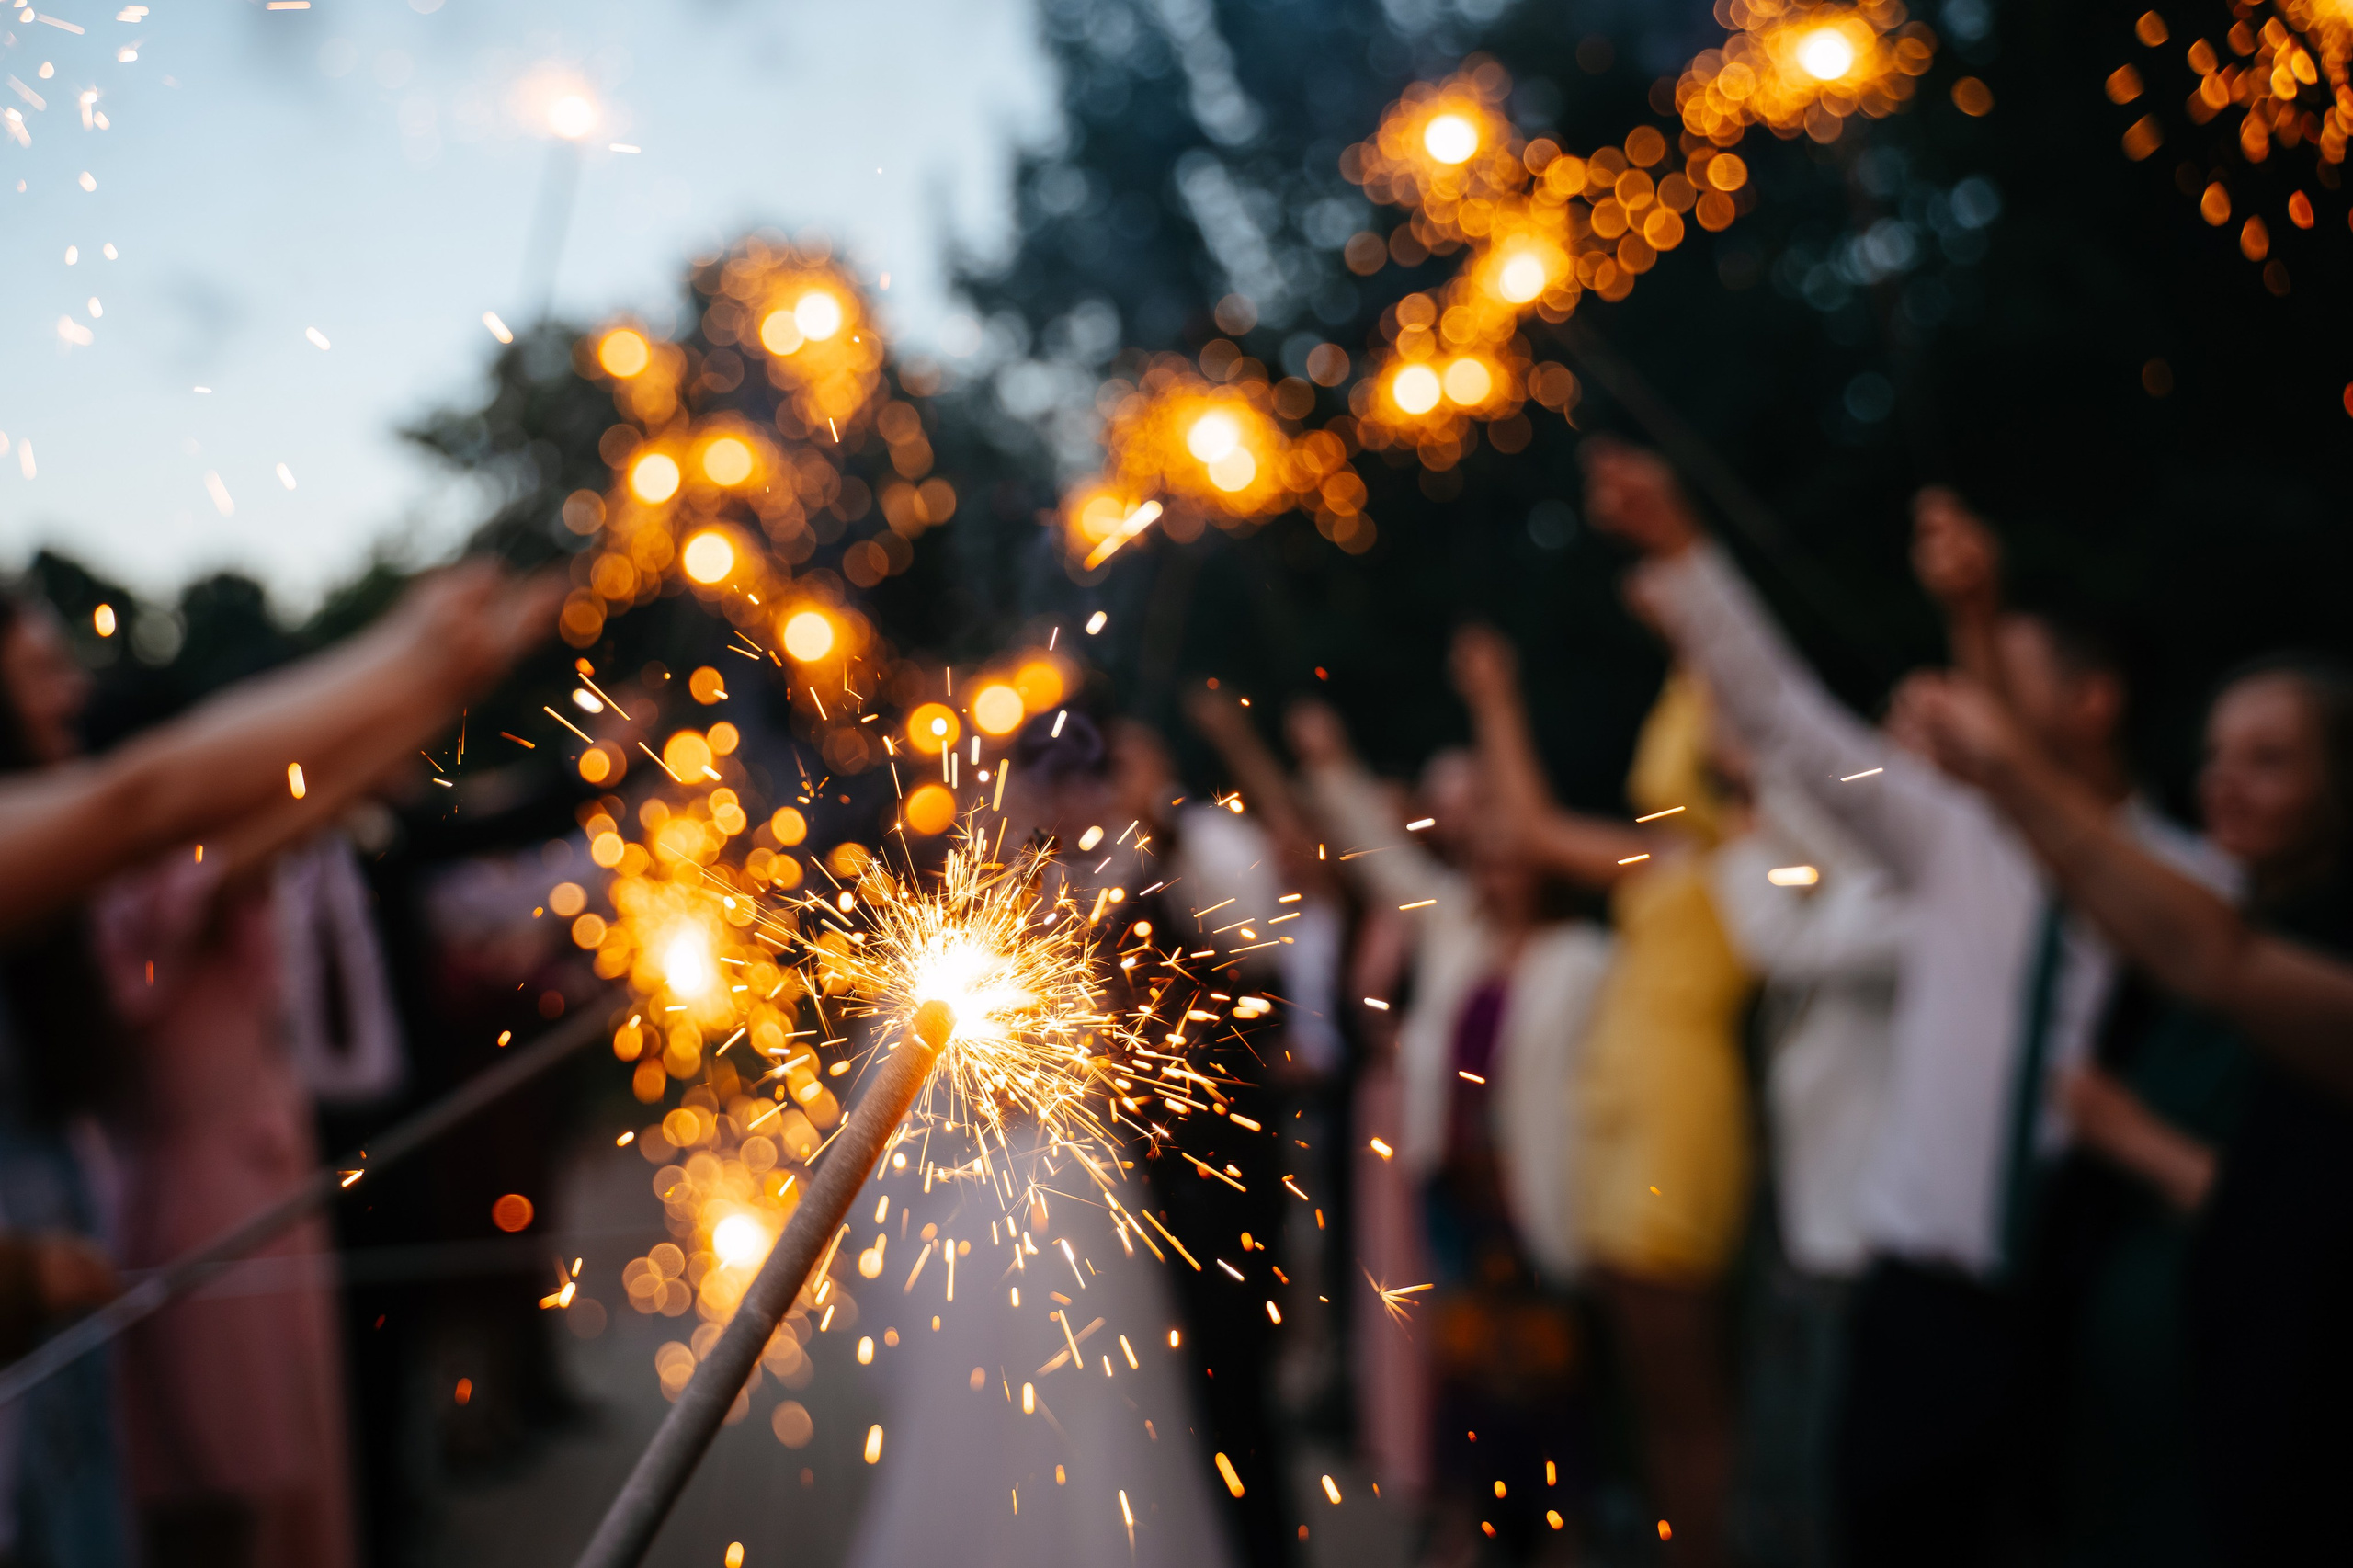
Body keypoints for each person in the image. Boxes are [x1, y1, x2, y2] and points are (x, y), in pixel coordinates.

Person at [1582, 440, 2232, 1566]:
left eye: (2001, 676)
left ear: (2091, 700)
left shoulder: (2199, 892)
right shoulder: (1954, 836)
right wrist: (1684, 553)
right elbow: (1786, 718)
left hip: (2091, 1310)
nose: (1964, 700)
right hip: (1918, 1306)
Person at [0, 563, 551, 1568]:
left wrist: (435, 694)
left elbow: (259, 793)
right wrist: (413, 661)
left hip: (209, 1199)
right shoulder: (135, 877)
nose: (68, 689)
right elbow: (160, 798)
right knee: (218, 1504)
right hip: (182, 1207)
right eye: (39, 668)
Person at [1905, 657, 2353, 1566]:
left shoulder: (2296, 962)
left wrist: (2014, 769)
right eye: (2214, 753)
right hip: (2124, 1430)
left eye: (2267, 759)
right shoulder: (2206, 932)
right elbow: (2116, 899)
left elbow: (2213, 959)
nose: (2222, 780)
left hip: (2262, 1442)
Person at [1451, 627, 1753, 1568]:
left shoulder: (1744, 858)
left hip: (1676, 1125)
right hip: (1624, 1128)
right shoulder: (1666, 864)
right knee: (1648, 1395)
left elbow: (1538, 830)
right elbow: (1536, 825)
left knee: (1687, 1399)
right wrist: (1495, 696)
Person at [1290, 686, 1608, 1565]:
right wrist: (1330, 765)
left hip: (1535, 1203)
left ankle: (1551, 1542)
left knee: (1549, 1402)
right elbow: (1388, 862)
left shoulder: (1581, 962)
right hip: (1457, 1199)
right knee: (1467, 1391)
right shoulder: (1461, 932)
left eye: (1516, 852)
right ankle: (1470, 1535)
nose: (1498, 866)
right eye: (1490, 852)